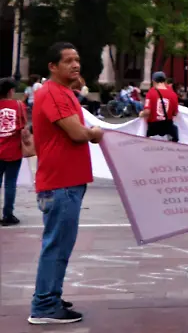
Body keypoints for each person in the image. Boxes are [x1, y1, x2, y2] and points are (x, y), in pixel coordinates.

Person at [28, 43, 104, 325]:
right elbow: (76, 133)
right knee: (57, 245)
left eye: (78, 60)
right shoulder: (53, 94)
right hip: (60, 184)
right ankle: (44, 304)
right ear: (52, 66)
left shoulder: (61, 93)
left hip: (65, 182)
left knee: (59, 244)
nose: (76, 65)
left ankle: (50, 296)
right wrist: (95, 133)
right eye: (68, 61)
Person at [0, 76, 28, 227]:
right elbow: (23, 126)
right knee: (10, 184)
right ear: (11, 91)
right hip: (13, 151)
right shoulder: (19, 105)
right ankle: (8, 214)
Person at [142, 72, 180, 142]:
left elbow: (147, 112)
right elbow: (175, 113)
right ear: (165, 80)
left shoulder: (150, 93)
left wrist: (141, 114)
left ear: (153, 81)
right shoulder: (173, 94)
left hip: (153, 131)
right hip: (167, 130)